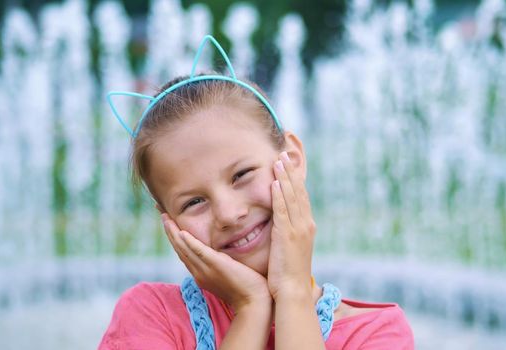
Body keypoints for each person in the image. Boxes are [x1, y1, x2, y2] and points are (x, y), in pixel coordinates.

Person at [98, 35, 414, 350]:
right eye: (194, 202)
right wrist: (251, 307)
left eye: (242, 175)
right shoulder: (150, 315)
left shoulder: (377, 335)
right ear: (169, 221)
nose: (228, 213)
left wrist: (292, 291)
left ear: (291, 159)